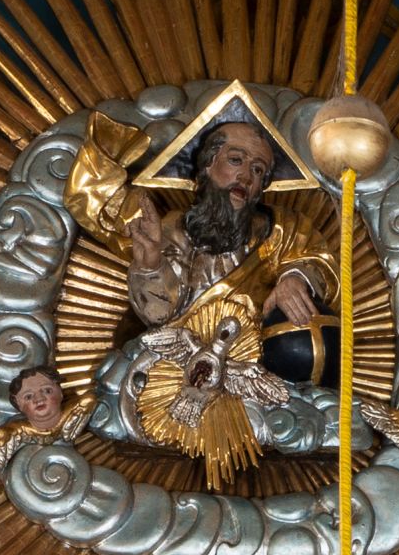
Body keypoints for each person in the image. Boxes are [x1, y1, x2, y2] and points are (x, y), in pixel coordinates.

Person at [64, 110, 340, 480]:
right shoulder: (172, 229)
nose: (246, 177)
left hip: (254, 374)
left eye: (258, 170)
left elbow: (318, 262)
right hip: (173, 373)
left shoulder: (282, 230)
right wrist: (149, 264)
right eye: (236, 160)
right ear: (207, 167)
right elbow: (159, 317)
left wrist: (294, 277)